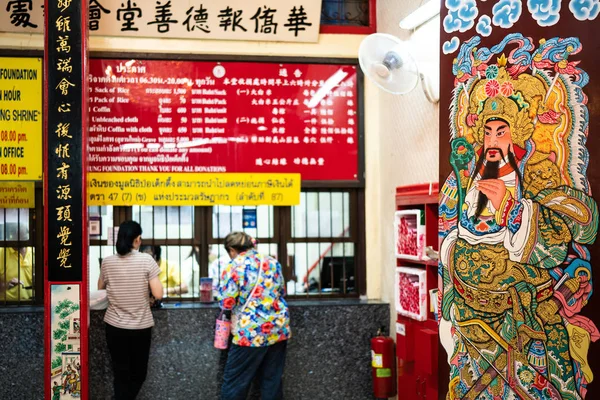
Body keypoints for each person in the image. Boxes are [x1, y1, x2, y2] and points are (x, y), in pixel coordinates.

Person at [439, 43, 598, 400]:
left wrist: (513, 208)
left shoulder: (539, 177)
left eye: (502, 131)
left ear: (518, 134)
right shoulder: (462, 180)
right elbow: (446, 235)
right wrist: (445, 295)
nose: (493, 140)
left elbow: (564, 238)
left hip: (518, 312)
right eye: (488, 131)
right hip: (466, 306)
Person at [218, 232, 291, 400]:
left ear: (231, 249)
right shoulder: (272, 262)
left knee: (235, 382)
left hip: (250, 332)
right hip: (277, 328)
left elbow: (226, 302)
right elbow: (282, 292)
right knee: (272, 381)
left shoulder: (234, 266)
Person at [98, 220, 163, 400]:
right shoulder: (146, 259)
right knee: (138, 374)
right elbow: (158, 294)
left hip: (114, 326)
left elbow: (100, 288)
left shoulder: (107, 261)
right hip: (139, 328)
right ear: (137, 239)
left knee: (120, 373)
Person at [0, 224, 33, 302]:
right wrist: (6, 285)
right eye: (17, 237)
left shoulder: (34, 252)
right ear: (11, 235)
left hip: (31, 302)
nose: (21, 241)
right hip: (6, 304)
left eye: (23, 238)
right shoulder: (1, 253)